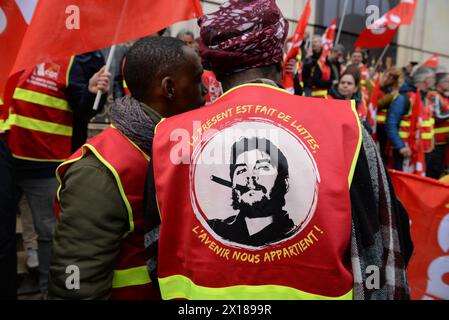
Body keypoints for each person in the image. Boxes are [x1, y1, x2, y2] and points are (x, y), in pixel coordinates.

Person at [150, 0, 412, 300]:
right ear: (279, 60)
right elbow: (385, 242)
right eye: (241, 171)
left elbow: (152, 248)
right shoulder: (344, 126)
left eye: (262, 169)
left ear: (218, 72)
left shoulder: (170, 136)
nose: (249, 180)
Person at [49, 36, 207, 300]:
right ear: (169, 88)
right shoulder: (100, 170)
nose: (205, 90)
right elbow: (75, 282)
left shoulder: (175, 149)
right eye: (197, 79)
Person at [1, 56, 110, 299]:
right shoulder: (10, 48)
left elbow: (85, 110)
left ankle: (47, 291)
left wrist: (93, 92)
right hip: (5, 159)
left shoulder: (70, 60)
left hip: (45, 164)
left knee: (50, 234)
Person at [207, 137, 295, 247]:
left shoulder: (296, 236)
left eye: (262, 167)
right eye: (242, 170)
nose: (250, 176)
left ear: (285, 183)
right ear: (233, 183)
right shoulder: (211, 230)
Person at [386, 67, 436, 172]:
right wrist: (400, 146)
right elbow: (391, 124)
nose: (434, 81)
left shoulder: (427, 98)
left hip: (424, 152)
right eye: (432, 78)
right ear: (425, 80)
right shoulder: (403, 99)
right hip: (406, 152)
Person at [328, 65, 371, 132]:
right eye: (342, 83)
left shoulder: (360, 104)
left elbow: (368, 129)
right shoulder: (327, 100)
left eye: (349, 83)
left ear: (355, 88)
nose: (345, 85)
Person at [427, 72, 449, 179]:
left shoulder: (445, 96)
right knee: (432, 172)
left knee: (438, 171)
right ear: (440, 83)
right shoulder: (434, 96)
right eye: (448, 81)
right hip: (435, 143)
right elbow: (437, 116)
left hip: (444, 143)